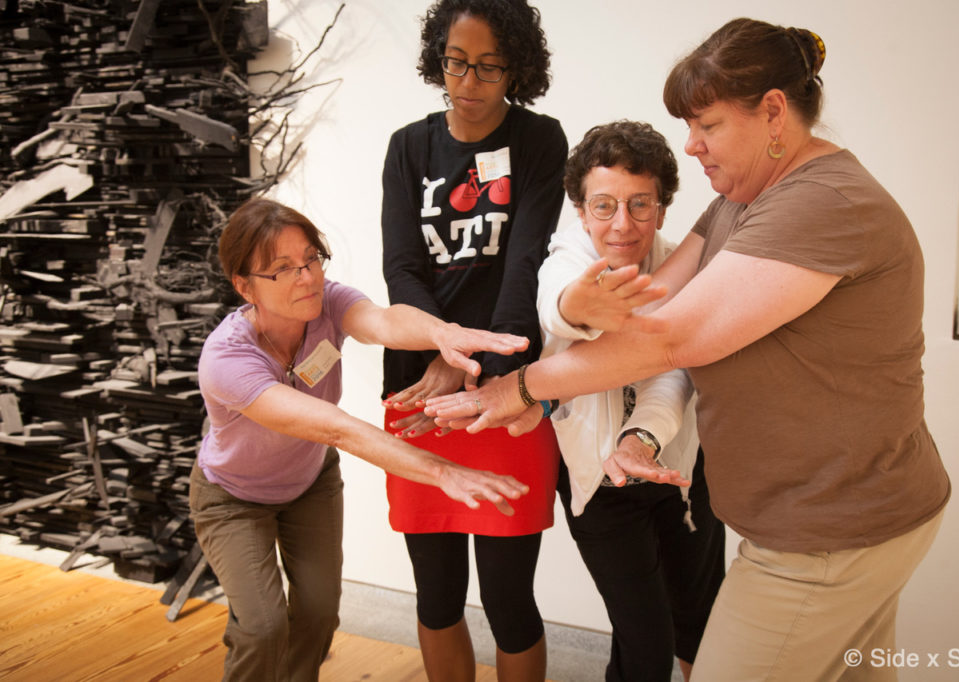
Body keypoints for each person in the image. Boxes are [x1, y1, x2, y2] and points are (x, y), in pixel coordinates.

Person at [427, 17, 951, 681]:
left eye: (707, 125)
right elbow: (652, 302)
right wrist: (571, 311)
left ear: (772, 113)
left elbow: (670, 338)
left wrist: (523, 386)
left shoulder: (821, 204)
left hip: (827, 533)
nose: (692, 145)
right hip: (838, 518)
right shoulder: (743, 201)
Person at [190, 197, 534, 682]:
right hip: (234, 496)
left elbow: (384, 321)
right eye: (283, 269)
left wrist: (443, 334)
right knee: (264, 627)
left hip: (309, 483)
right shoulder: (228, 359)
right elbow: (336, 428)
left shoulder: (326, 303)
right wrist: (441, 471)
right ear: (244, 286)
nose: (307, 276)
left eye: (311, 258)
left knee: (318, 614)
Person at [378, 1, 566, 680]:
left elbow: (525, 264)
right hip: (420, 386)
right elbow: (401, 266)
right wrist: (443, 353)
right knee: (436, 595)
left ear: (516, 68)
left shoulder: (539, 141)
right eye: (457, 62)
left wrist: (479, 367)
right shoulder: (409, 145)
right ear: (438, 57)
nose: (469, 81)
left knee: (509, 596)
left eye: (489, 67)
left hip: (504, 388)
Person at [537, 120, 725, 682]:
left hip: (681, 473)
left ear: (663, 209)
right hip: (603, 486)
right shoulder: (568, 260)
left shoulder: (685, 266)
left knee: (703, 627)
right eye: (604, 206)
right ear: (580, 208)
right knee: (646, 645)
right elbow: (559, 305)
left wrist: (642, 439)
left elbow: (676, 372)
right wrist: (581, 309)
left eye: (640, 205)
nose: (622, 225)